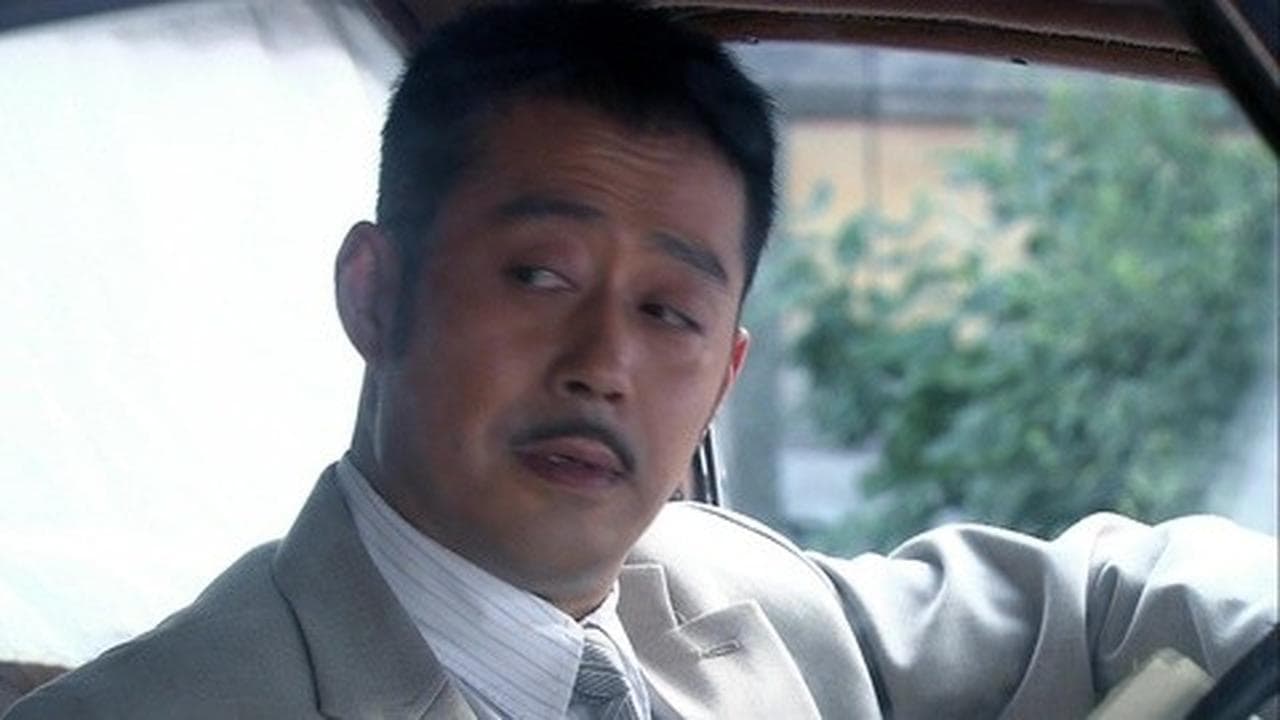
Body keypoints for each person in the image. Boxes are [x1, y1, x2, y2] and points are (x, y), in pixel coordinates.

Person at [7, 2, 1276, 718]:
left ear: (724, 377)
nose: (602, 362)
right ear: (375, 295)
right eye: (539, 276)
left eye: (669, 311)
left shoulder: (734, 596)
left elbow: (1121, 602)